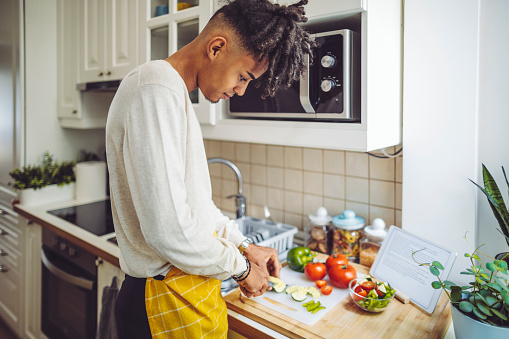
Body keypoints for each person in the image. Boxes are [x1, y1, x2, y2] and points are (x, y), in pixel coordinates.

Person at [105, 0, 314, 337]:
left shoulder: (173, 94)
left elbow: (197, 207)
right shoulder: (155, 88)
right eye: (243, 76)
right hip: (156, 302)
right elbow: (168, 230)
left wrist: (244, 244)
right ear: (217, 47)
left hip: (175, 295)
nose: (240, 90)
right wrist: (242, 268)